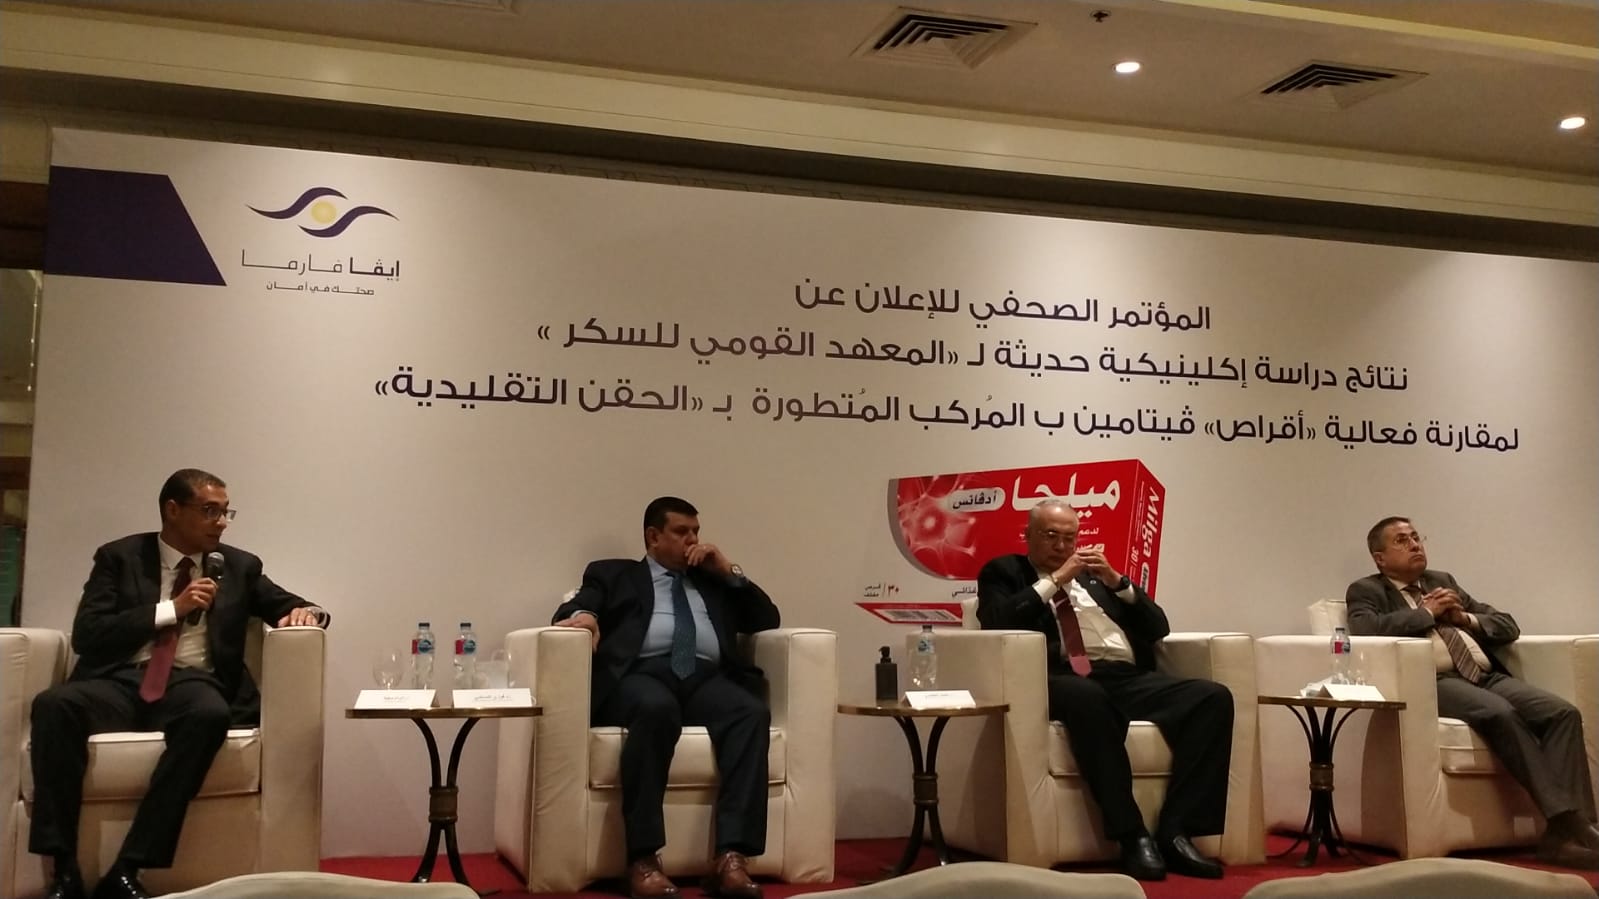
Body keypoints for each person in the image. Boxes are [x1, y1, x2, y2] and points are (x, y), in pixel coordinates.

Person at [30, 469, 328, 899]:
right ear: (173, 510)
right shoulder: (120, 557)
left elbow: (290, 604)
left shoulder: (238, 566)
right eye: (209, 511)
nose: (221, 522)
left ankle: (128, 868)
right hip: (120, 679)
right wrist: (172, 609)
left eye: (226, 512)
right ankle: (64, 871)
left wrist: (307, 613)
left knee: (210, 714)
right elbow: (89, 634)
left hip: (192, 683)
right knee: (54, 705)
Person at [976, 499, 1233, 881]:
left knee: (1212, 698)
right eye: (1051, 536)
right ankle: (1132, 835)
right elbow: (997, 620)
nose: (1062, 546)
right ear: (1027, 535)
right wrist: (1055, 580)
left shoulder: (1095, 580)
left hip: (1124, 676)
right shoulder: (1004, 571)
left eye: (1070, 538)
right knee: (1089, 698)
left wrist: (1119, 582)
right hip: (1060, 676)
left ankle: (1177, 831)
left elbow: (1157, 628)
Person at [552, 496, 779, 899]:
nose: (693, 540)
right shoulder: (616, 574)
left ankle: (731, 858)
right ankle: (642, 860)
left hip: (706, 678)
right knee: (656, 709)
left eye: (696, 531)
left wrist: (729, 569)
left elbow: (767, 618)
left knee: (750, 712)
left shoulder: (711, 579)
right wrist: (584, 618)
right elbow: (579, 604)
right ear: (653, 536)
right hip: (643, 674)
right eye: (681, 531)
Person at [1347, 516, 1599, 869]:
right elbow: (1366, 630)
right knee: (1499, 713)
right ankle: (1571, 823)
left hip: (1485, 676)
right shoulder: (1367, 590)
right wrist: (1426, 613)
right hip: (1436, 682)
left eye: (1416, 537)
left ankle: (1565, 836)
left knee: (1562, 712)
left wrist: (1464, 618)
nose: (1415, 544)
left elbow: (1507, 625)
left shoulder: (1442, 581)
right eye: (1402, 540)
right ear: (1380, 558)